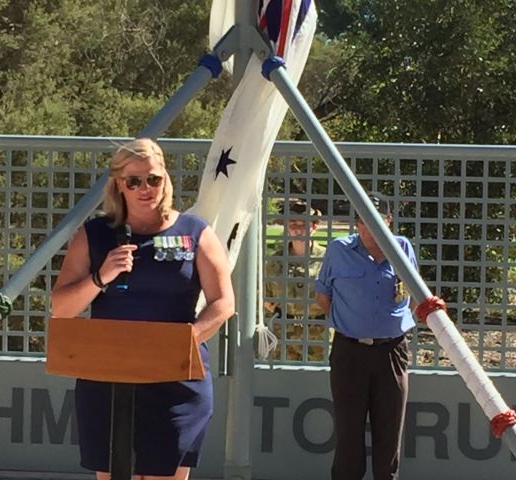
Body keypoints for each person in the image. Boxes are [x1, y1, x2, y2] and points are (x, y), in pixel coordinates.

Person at [51, 138, 235, 480]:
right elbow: (61, 308)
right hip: (108, 378)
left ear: (165, 179)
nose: (145, 189)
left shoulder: (195, 232)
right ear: (119, 184)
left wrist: (185, 340)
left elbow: (224, 302)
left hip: (176, 378)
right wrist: (101, 276)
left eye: (153, 179)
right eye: (134, 181)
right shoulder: (94, 235)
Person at [314, 192, 417, 480]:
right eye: (363, 220)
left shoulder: (403, 248)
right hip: (350, 352)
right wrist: (352, 321)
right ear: (357, 223)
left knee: (390, 433)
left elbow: (411, 293)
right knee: (348, 435)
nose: (369, 227)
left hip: (392, 352)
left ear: (389, 221)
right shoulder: (339, 250)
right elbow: (323, 297)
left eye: (377, 220)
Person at [264, 199, 327, 361]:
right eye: (293, 224)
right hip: (284, 335)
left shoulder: (328, 259)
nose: (298, 229)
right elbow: (266, 299)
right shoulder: (274, 261)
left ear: (314, 226)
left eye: (303, 224)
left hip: (319, 335)